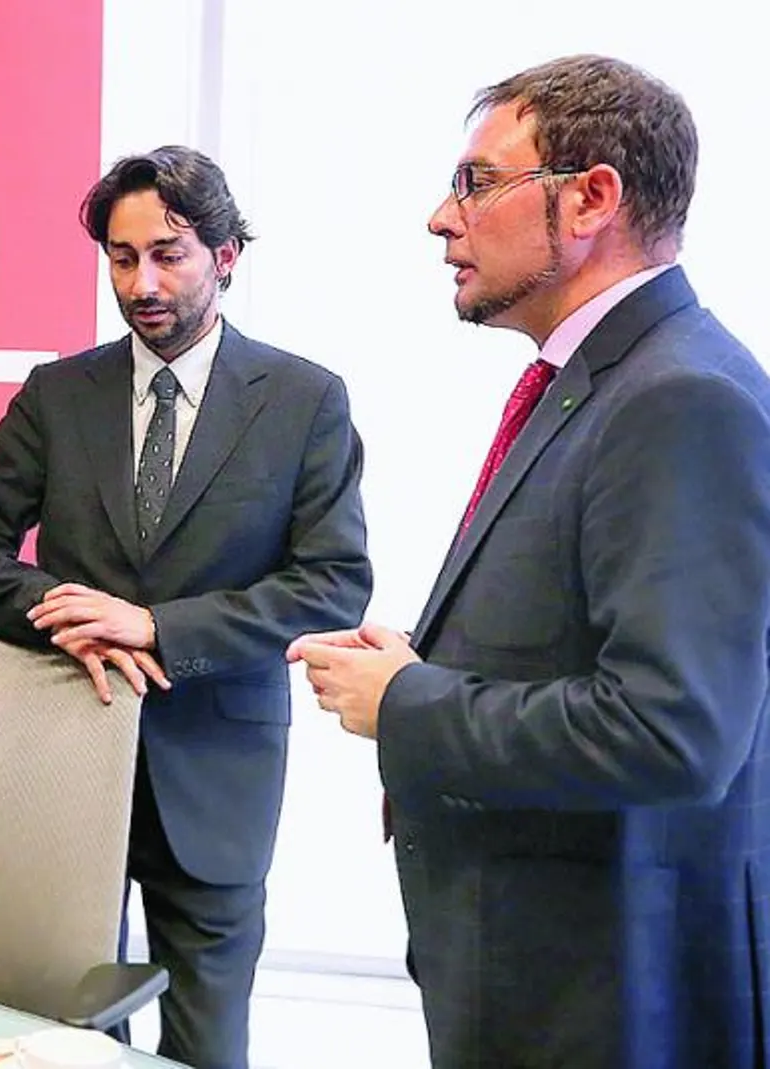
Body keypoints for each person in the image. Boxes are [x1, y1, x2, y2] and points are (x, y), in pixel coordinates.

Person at [289, 55, 770, 1068]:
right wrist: (430, 660)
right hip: (535, 973)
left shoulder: (679, 399)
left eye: (475, 182)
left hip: (601, 1002)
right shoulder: (608, 381)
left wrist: (409, 703)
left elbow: (671, 730)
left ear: (592, 197)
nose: (440, 216)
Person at [0, 146, 373, 1068]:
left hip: (217, 771)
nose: (143, 282)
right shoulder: (60, 393)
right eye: (122, 259)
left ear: (226, 255)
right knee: (66, 1032)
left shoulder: (303, 399)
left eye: (168, 254)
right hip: (64, 754)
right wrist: (61, 606)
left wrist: (162, 628)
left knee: (208, 1039)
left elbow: (331, 582)